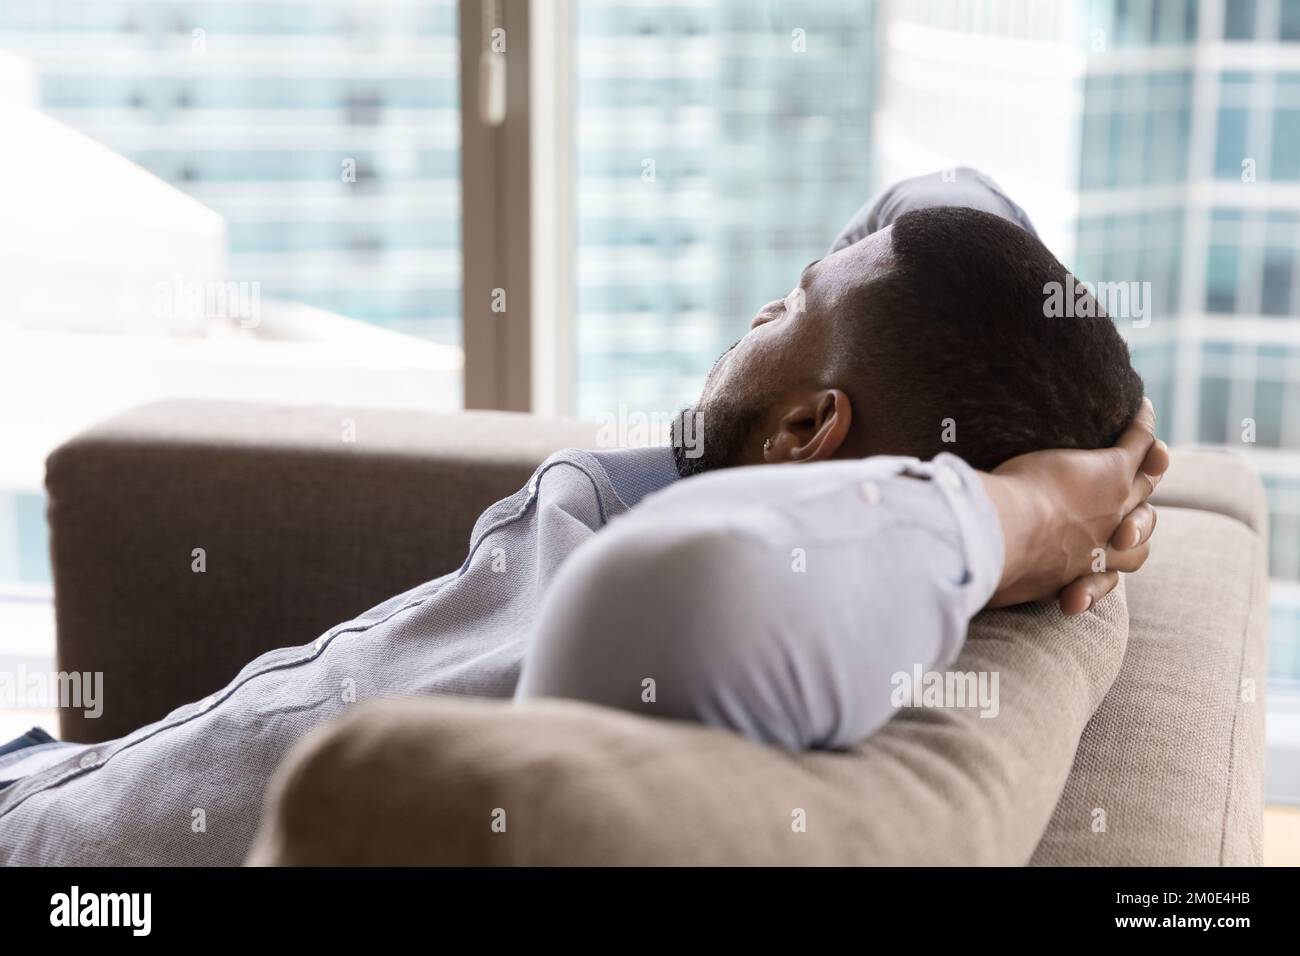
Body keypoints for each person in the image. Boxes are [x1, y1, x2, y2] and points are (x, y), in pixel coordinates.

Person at [0, 169, 1167, 864]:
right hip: (57, 769)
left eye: (792, 304)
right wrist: (1101, 426)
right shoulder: (748, 492)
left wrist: (1016, 509)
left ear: (809, 432)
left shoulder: (693, 598)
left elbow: (695, 598)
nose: (767, 296)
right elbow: (946, 201)